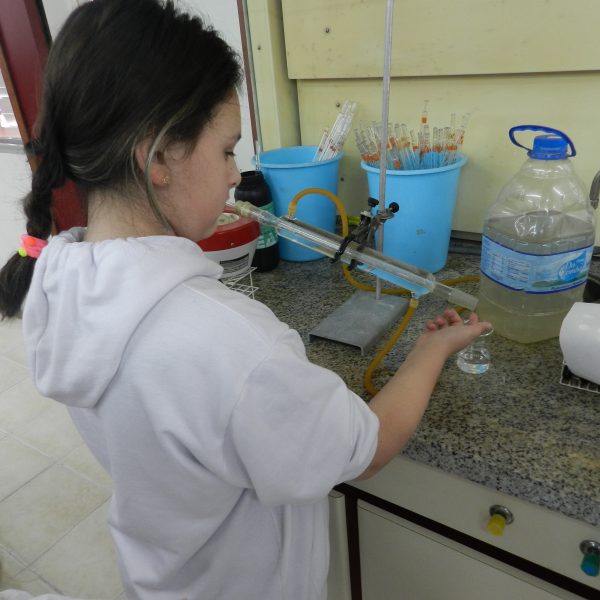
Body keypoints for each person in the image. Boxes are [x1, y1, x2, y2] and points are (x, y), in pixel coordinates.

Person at [0, 1, 491, 598]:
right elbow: (366, 449)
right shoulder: (230, 345)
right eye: (228, 150)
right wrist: (432, 350)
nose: (237, 175)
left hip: (163, 577)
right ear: (159, 156)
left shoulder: (58, 280)